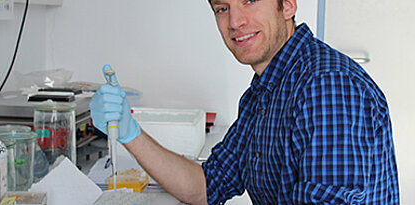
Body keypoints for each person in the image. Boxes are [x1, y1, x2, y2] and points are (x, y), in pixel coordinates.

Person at [89, 0, 400, 204]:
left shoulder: (327, 86)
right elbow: (206, 186)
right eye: (222, 8)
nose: (235, 21)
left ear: (288, 4)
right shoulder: (264, 92)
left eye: (249, 0)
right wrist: (132, 133)